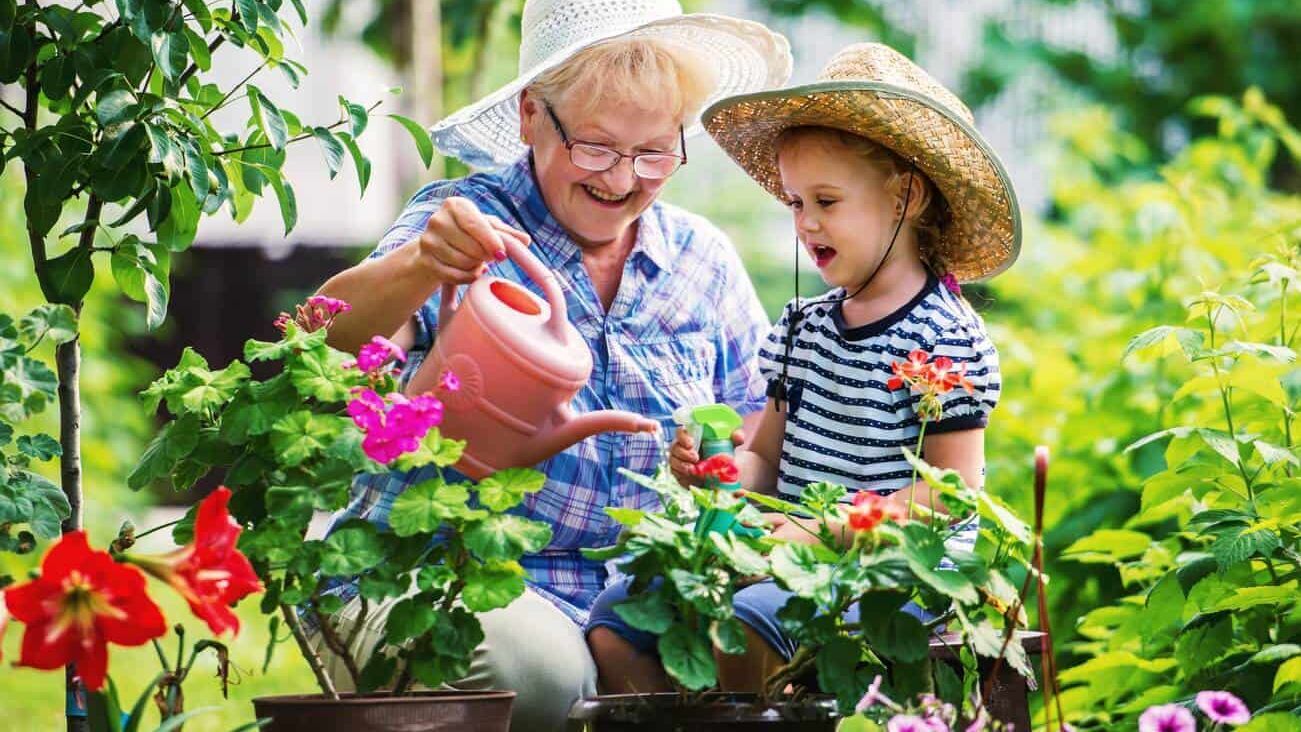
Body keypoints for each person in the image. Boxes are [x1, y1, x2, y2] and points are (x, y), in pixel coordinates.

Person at [309, 1, 791, 729]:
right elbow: (318, 343)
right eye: (595, 146)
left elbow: (755, 437)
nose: (623, 179)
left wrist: (721, 469)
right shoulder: (465, 221)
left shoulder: (700, 260)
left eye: (655, 152)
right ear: (533, 114)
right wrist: (416, 265)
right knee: (538, 675)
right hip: (447, 572)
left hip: (634, 599)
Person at [586, 42, 1022, 693]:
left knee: (742, 621)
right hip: (788, 560)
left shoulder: (944, 338)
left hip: (890, 576)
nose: (805, 223)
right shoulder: (802, 328)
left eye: (826, 201)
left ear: (906, 195)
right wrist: (719, 473)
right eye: (793, 203)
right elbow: (766, 458)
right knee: (616, 616)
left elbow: (946, 497)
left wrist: (823, 529)